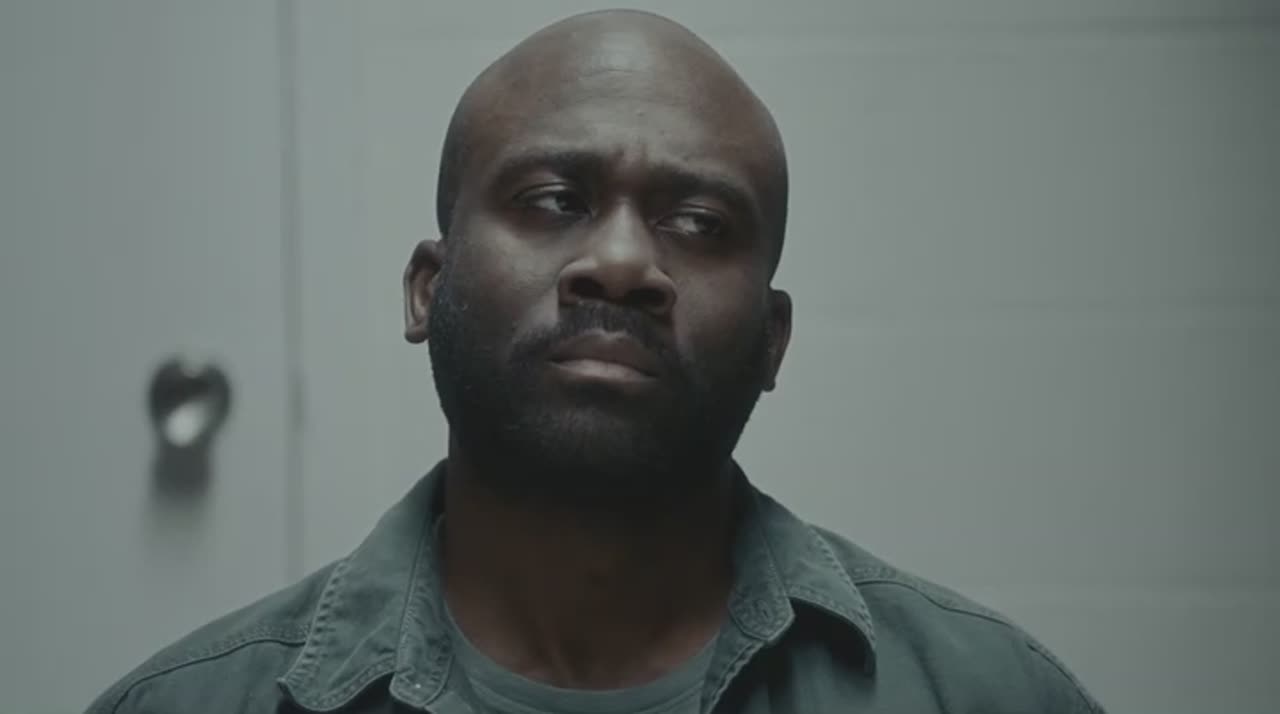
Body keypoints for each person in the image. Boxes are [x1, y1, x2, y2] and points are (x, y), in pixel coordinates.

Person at [89, 9, 1105, 714]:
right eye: (551, 201)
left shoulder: (987, 697)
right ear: (427, 288)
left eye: (698, 222)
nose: (621, 262)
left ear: (771, 340)